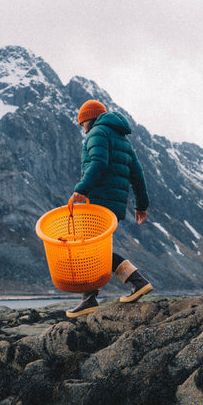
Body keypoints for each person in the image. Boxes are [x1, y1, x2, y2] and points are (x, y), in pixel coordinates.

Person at [66, 100, 152, 318]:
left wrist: (81, 189)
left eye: (81, 123)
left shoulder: (96, 134)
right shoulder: (123, 139)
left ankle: (94, 298)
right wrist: (141, 205)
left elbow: (98, 163)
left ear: (88, 119)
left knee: (86, 248)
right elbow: (137, 174)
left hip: (97, 201)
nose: (81, 128)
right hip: (114, 205)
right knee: (95, 249)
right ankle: (126, 286)